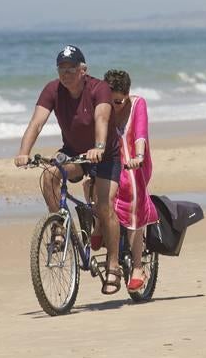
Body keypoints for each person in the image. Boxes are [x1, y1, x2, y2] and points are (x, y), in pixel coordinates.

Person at [13, 46, 124, 295]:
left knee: (104, 206)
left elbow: (102, 120)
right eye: (61, 69)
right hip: (75, 153)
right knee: (50, 175)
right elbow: (37, 122)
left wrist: (98, 147)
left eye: (71, 69)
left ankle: (114, 265)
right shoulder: (53, 90)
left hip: (105, 154)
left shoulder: (99, 88)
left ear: (83, 70)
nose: (65, 74)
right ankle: (59, 227)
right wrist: (23, 152)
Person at [105, 69, 158, 292]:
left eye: (118, 101)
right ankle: (101, 228)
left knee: (134, 196)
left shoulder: (138, 105)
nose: (114, 106)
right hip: (112, 164)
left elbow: (140, 134)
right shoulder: (104, 107)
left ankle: (138, 267)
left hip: (134, 166)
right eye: (110, 101)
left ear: (127, 95)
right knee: (93, 189)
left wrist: (138, 156)